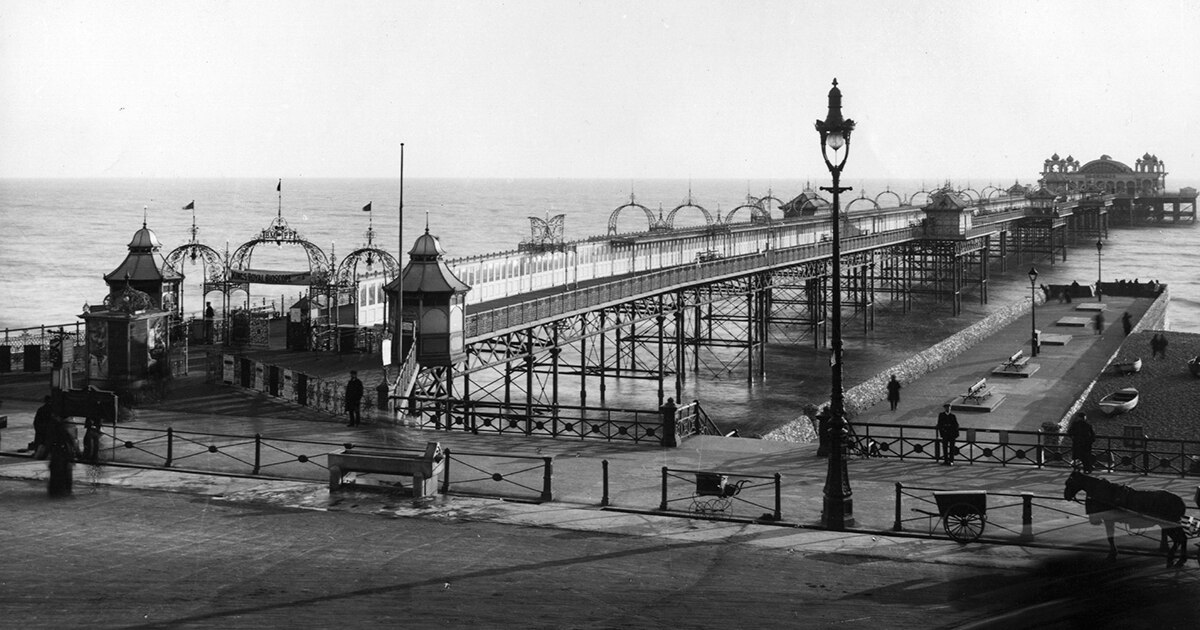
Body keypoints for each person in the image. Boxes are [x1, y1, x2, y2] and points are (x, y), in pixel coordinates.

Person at [46, 415, 79, 497]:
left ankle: (58, 492)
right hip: (65, 455)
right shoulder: (67, 427)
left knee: (58, 476)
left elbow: (48, 443)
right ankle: (64, 491)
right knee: (65, 476)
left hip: (59, 455)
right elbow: (73, 442)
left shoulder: (57, 429)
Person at [31, 395, 55, 460]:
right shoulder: (53, 410)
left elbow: (36, 422)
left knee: (40, 442)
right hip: (47, 431)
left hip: (42, 430)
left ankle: (40, 453)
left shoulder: (41, 409)